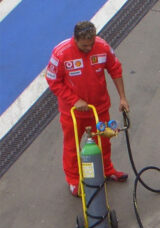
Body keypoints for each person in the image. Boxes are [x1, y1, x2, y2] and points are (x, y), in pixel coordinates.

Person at [46, 21, 130, 197]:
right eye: (85, 45)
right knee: (72, 147)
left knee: (105, 140)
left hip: (99, 109)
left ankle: (107, 169)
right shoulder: (61, 53)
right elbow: (53, 81)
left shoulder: (102, 47)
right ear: (75, 40)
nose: (89, 47)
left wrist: (122, 97)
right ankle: (74, 181)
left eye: (91, 43)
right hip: (72, 114)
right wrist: (74, 100)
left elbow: (115, 69)